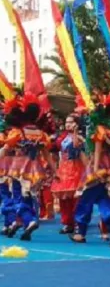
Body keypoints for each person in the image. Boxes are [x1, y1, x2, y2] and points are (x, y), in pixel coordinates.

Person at [0, 93, 55, 241]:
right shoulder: (40, 133)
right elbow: (47, 153)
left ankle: (29, 220)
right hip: (35, 168)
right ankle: (23, 222)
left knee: (17, 195)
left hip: (18, 167)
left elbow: (5, 149)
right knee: (30, 195)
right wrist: (54, 170)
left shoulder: (17, 132)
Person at [69, 92, 110, 244]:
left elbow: (97, 150)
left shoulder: (98, 129)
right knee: (104, 199)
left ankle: (80, 232)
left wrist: (95, 170)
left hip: (99, 166)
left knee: (86, 199)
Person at [51, 113, 87, 234]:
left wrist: (76, 133)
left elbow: (76, 147)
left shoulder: (81, 138)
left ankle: (78, 222)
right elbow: (58, 152)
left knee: (76, 198)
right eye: (67, 122)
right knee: (64, 198)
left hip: (76, 167)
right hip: (64, 168)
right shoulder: (62, 137)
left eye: (71, 122)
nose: (68, 124)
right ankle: (67, 222)